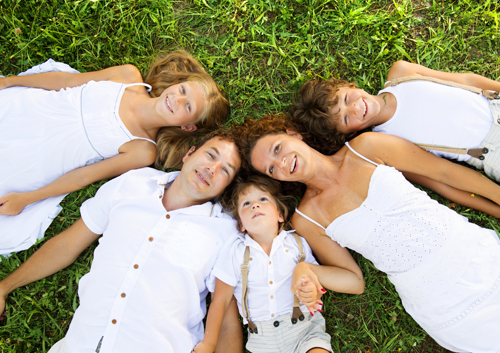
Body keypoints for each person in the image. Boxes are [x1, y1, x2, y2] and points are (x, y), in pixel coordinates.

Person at [237, 114, 500, 353]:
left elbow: (445, 172)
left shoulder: (366, 147)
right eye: (272, 168)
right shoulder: (307, 218)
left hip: (479, 256)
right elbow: (353, 281)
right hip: (443, 305)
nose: (281, 162)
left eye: (277, 149)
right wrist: (306, 270)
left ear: (293, 134)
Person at [0, 130, 243, 353]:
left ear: (226, 187)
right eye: (211, 155)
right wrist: (4, 288)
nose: (213, 168)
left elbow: (226, 321)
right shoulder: (133, 184)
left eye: (225, 170)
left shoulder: (224, 232)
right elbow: (67, 245)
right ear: (189, 154)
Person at [0, 52, 229, 257]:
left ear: (188, 127)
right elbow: (67, 81)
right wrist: (9, 82)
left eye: (187, 107)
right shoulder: (128, 77)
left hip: (37, 154)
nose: (176, 100)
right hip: (31, 109)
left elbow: (84, 176)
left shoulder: (143, 150)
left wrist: (28, 198)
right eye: (182, 90)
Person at [289, 61, 500, 215]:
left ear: (349, 86)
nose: (354, 107)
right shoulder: (386, 144)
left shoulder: (402, 74)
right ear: (348, 133)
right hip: (491, 152)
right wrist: (494, 207)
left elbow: (467, 80)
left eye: (345, 98)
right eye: (345, 118)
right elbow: (442, 182)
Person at [194, 174, 364, 353]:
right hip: (262, 342)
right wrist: (208, 344)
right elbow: (220, 301)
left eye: (263, 199)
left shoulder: (297, 243)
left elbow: (314, 280)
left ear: (280, 215)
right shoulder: (235, 252)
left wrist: (312, 293)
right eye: (246, 204)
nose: (255, 205)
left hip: (304, 329)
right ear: (241, 225)